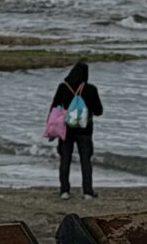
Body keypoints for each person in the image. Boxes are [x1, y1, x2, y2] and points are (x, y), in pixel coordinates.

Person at [51, 61, 104, 199]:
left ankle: (64, 191)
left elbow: (54, 108)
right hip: (85, 130)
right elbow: (99, 111)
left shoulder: (63, 87)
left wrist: (51, 129)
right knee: (86, 160)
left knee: (65, 160)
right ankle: (87, 192)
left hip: (65, 129)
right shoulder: (91, 89)